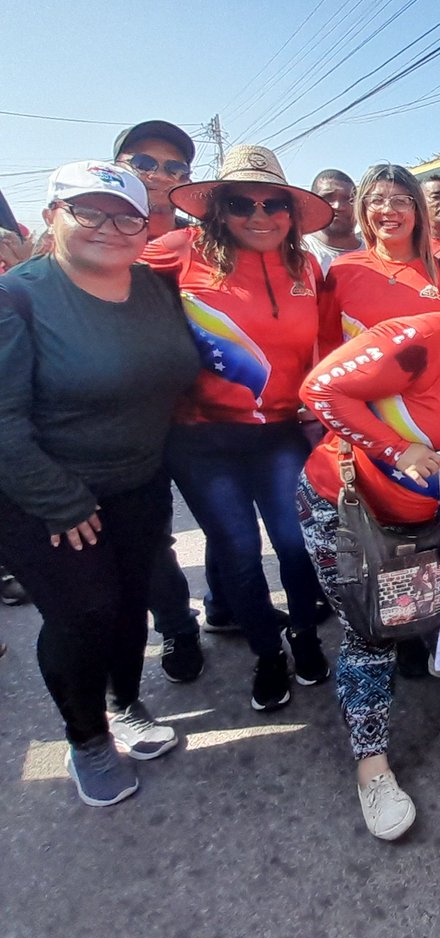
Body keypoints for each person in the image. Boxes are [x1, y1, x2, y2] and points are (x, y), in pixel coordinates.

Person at [297, 253, 440, 840]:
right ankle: (372, 767)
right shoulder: (413, 338)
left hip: (421, 521)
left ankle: (437, 658)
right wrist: (395, 449)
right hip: (350, 513)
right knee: (370, 632)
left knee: (432, 600)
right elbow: (319, 390)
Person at [0, 162, 200, 806]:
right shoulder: (18, 297)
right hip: (45, 496)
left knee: (130, 600)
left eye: (125, 217)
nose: (108, 229)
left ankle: (126, 704)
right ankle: (87, 739)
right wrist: (58, 499)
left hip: (138, 482)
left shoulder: (153, 288)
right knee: (83, 615)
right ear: (53, 215)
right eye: (88, 212)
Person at [143, 145, 331, 712]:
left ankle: (303, 635)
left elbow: (324, 343)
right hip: (200, 439)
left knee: (297, 544)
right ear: (219, 208)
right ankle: (267, 655)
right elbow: (107, 291)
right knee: (239, 552)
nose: (259, 213)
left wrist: (320, 410)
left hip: (278, 434)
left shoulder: (308, 266)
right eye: (242, 202)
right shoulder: (175, 251)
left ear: (291, 212)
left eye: (274, 202)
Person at [113, 119, 206, 681]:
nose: (158, 175)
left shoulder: (206, 242)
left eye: (174, 167)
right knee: (150, 541)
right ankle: (176, 627)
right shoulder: (95, 240)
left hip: (203, 419)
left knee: (226, 527)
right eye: (143, 163)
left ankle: (223, 606)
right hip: (131, 425)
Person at [319, 163, 440, 355]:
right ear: (363, 208)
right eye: (377, 200)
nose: (388, 209)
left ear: (417, 209)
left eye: (401, 201)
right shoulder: (342, 270)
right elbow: (327, 350)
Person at [303, 169, 362, 274]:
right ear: (312, 203)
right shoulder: (297, 254)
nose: (338, 206)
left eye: (348, 199)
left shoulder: (379, 255)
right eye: (328, 198)